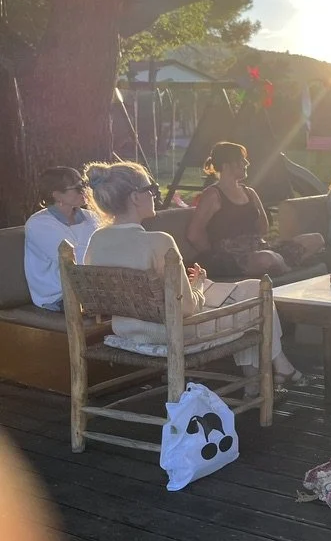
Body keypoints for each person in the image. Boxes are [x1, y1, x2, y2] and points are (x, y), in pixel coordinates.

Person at [82, 160, 308, 387]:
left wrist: (194, 286)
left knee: (253, 288)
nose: (155, 194)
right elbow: (187, 309)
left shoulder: (96, 241)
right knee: (258, 301)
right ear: (134, 197)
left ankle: (263, 377)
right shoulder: (158, 241)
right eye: (150, 189)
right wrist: (197, 287)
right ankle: (272, 371)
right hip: (171, 333)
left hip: (125, 329)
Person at [187, 142, 325, 278]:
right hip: (233, 258)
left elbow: (263, 227)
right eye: (241, 160)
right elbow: (194, 234)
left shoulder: (249, 192)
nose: (247, 163)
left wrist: (255, 244)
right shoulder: (213, 194)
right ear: (227, 164)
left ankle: (281, 263)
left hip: (259, 249)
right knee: (266, 259)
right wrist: (216, 255)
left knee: (316, 239)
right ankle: (287, 264)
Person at [24, 166, 101, 312]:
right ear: (57, 195)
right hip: (59, 296)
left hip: (93, 287)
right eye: (78, 187)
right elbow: (75, 262)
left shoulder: (91, 217)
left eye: (84, 184)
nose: (84, 190)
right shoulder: (39, 224)